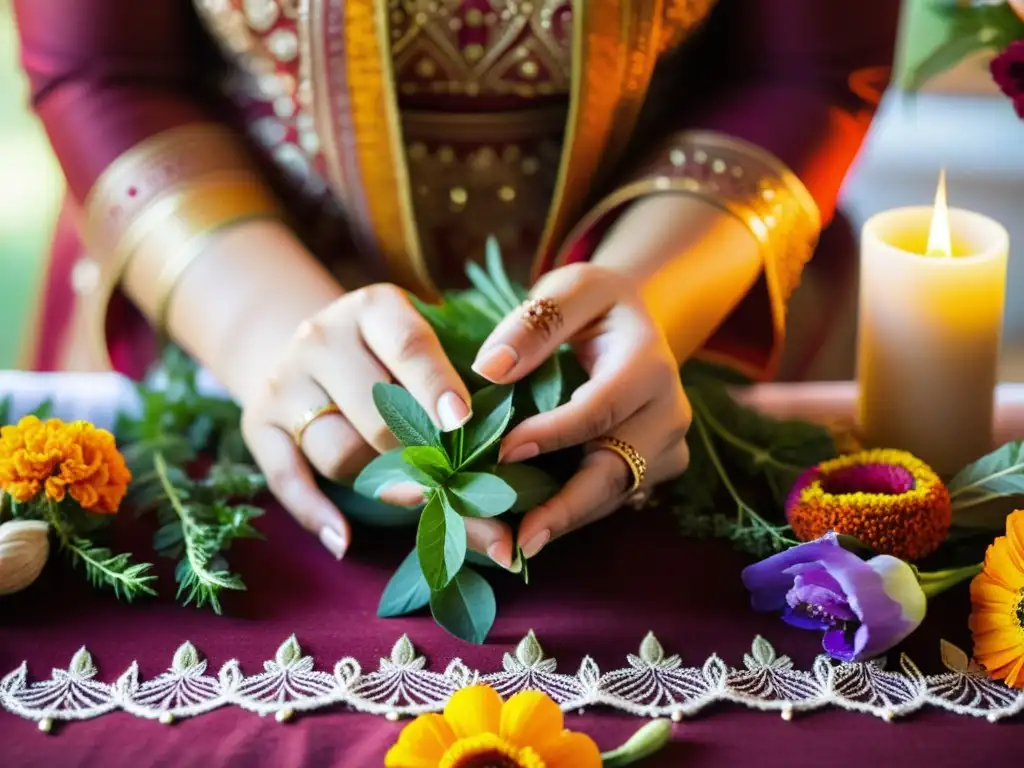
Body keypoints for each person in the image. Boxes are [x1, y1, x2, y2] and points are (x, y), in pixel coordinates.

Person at [13, 0, 899, 568]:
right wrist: (266, 333)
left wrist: (649, 303)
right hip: (229, 303)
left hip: (673, 329)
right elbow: (108, 69)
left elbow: (800, 68)